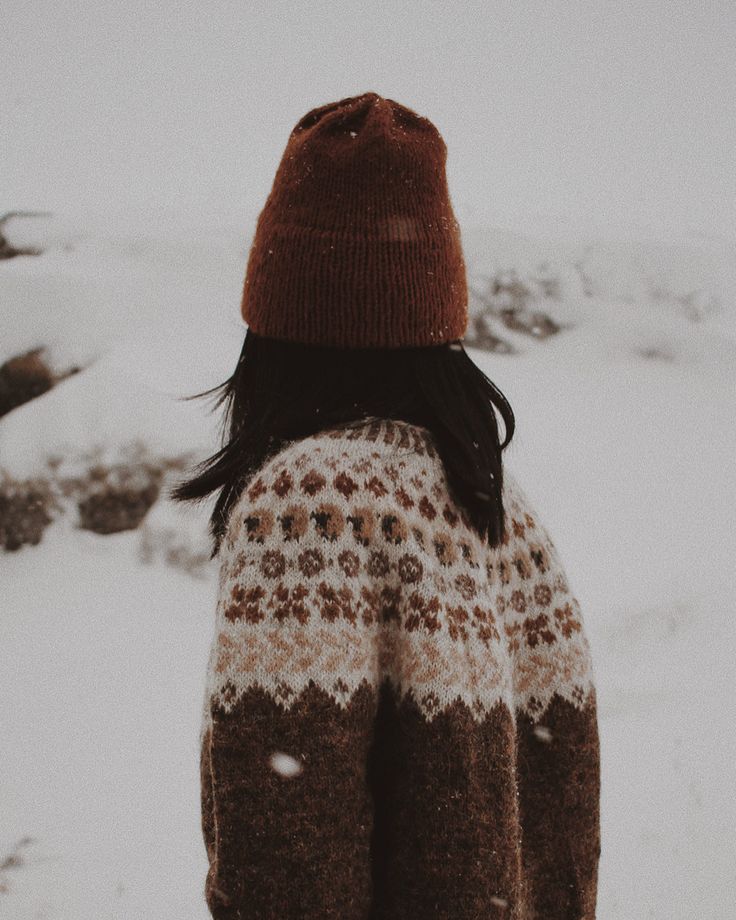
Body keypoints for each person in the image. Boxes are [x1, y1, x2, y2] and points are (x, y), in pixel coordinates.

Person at [170, 91, 601, 920]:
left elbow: (285, 859)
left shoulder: (308, 506)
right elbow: (561, 835)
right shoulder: (497, 505)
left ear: (280, 318)